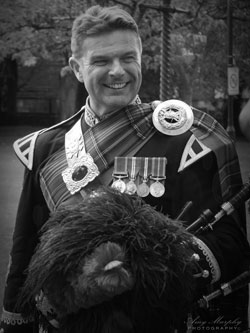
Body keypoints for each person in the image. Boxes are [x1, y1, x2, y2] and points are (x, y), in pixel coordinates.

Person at [0, 5, 249, 333]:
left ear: (140, 59)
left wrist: (145, 266)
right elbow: (25, 250)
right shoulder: (44, 147)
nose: (118, 71)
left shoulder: (186, 139)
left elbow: (229, 241)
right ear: (77, 68)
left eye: (128, 58)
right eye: (101, 61)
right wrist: (15, 321)